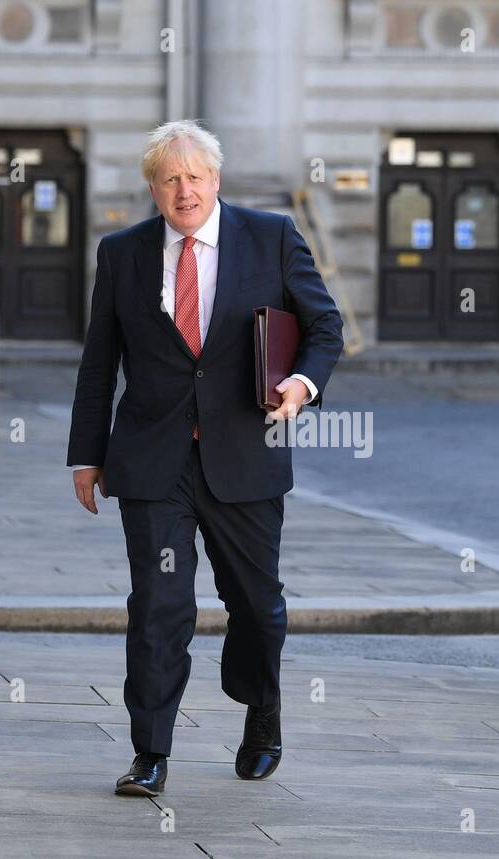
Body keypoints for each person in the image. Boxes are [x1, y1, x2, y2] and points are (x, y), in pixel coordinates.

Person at [67, 120, 343, 793]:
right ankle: (151, 752)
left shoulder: (270, 238)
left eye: (195, 176)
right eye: (170, 179)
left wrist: (301, 384)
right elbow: (101, 361)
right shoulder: (123, 252)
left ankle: (262, 710)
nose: (184, 189)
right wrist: (85, 454)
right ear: (154, 189)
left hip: (246, 454)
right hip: (153, 461)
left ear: (215, 180)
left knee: (257, 605)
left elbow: (324, 326)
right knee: (159, 604)